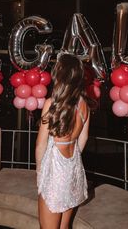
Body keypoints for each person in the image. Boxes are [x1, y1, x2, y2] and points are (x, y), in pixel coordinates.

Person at [35, 53, 91, 229]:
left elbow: (40, 144)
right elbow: (83, 138)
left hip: (55, 174)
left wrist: (39, 171)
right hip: (73, 170)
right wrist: (72, 159)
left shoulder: (51, 104)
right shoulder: (84, 105)